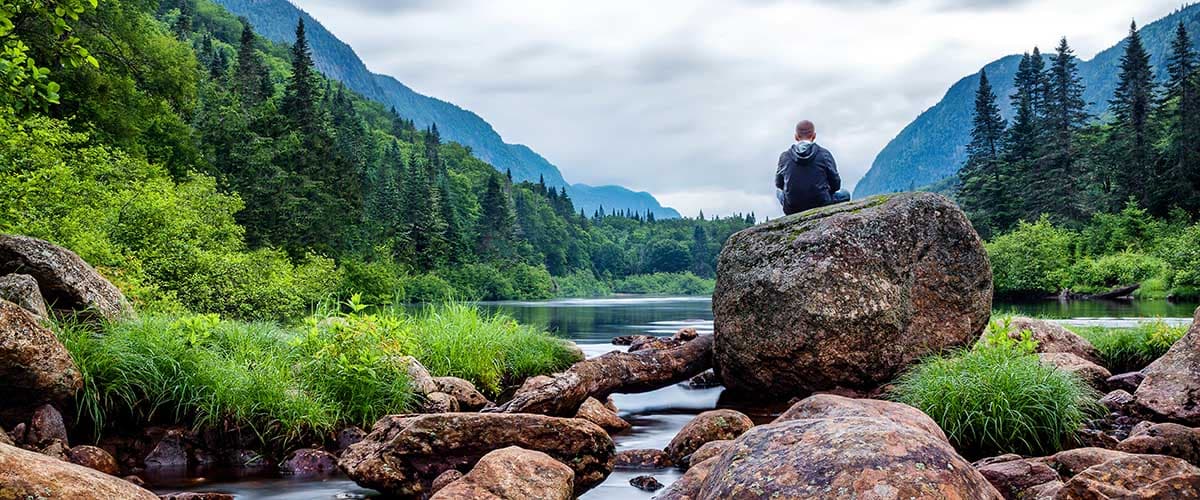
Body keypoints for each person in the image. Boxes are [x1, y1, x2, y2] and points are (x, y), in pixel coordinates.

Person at [775, 120, 850, 215]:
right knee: (845, 194)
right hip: (822, 203)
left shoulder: (784, 157)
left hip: (793, 207)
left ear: (796, 136)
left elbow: (779, 184)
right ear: (814, 136)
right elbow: (836, 184)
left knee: (778, 192)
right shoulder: (824, 154)